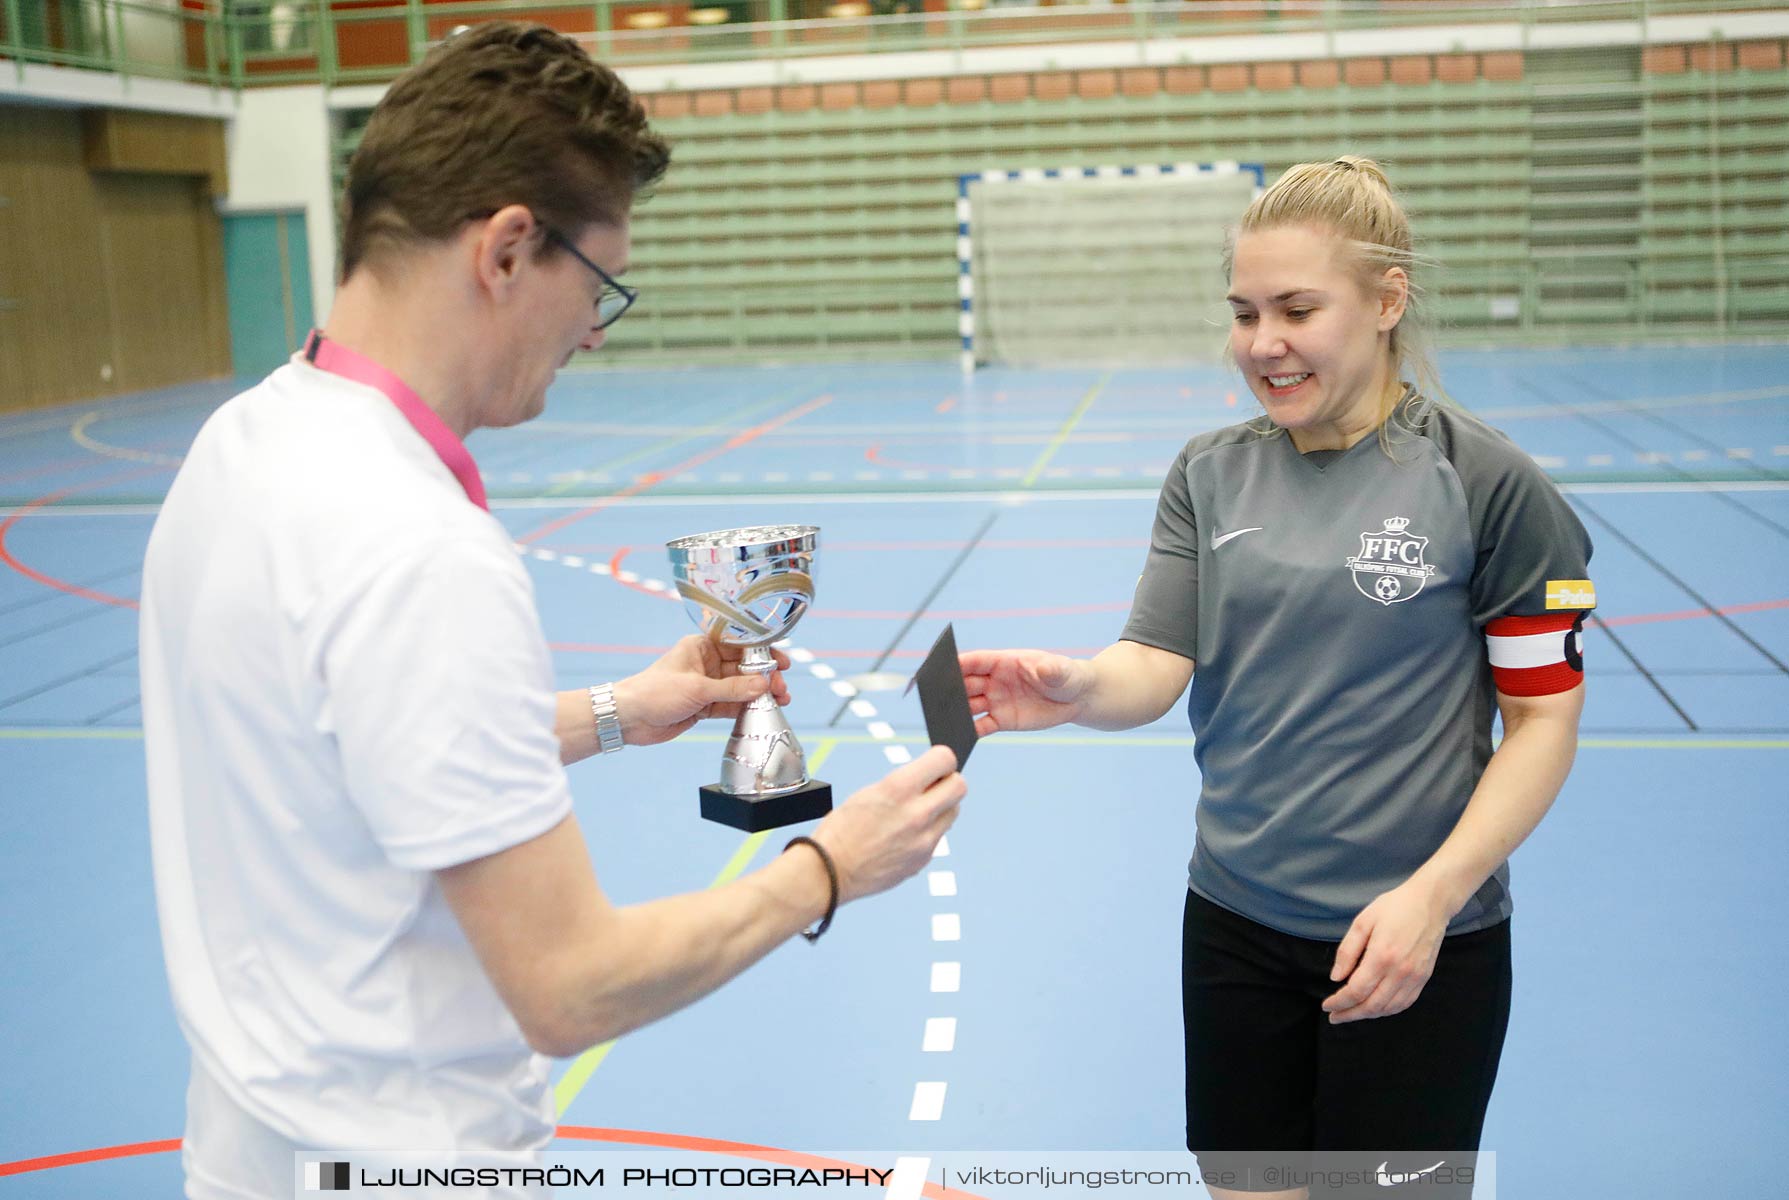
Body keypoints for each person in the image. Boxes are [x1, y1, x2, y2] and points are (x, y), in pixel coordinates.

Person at [138, 23, 964, 1199]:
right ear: (510, 249)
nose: (594, 329)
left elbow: (359, 761)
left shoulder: (244, 447)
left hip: (250, 1151)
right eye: (600, 285)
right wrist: (825, 867)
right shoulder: (416, 546)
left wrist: (625, 710)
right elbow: (571, 986)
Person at [960, 157, 1594, 1200]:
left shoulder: (1488, 484)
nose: (1263, 343)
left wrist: (1431, 900)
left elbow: (1541, 725)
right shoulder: (1208, 473)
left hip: (1415, 946)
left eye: (1298, 308)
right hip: (1235, 926)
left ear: (1386, 300)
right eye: (1244, 311)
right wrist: (1075, 690)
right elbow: (1154, 663)